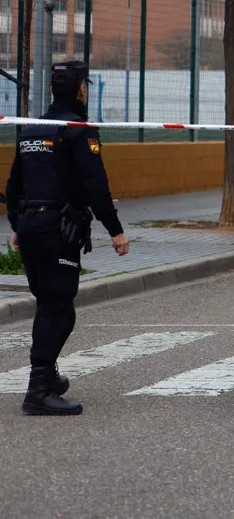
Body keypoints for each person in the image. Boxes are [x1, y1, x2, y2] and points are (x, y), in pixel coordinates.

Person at [7, 61, 129, 415]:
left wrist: (18, 224)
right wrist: (116, 231)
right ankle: (39, 388)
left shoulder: (33, 127)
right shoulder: (79, 130)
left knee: (50, 303)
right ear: (81, 90)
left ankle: (47, 377)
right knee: (58, 306)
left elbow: (14, 184)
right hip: (56, 230)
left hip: (31, 226)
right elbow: (95, 185)